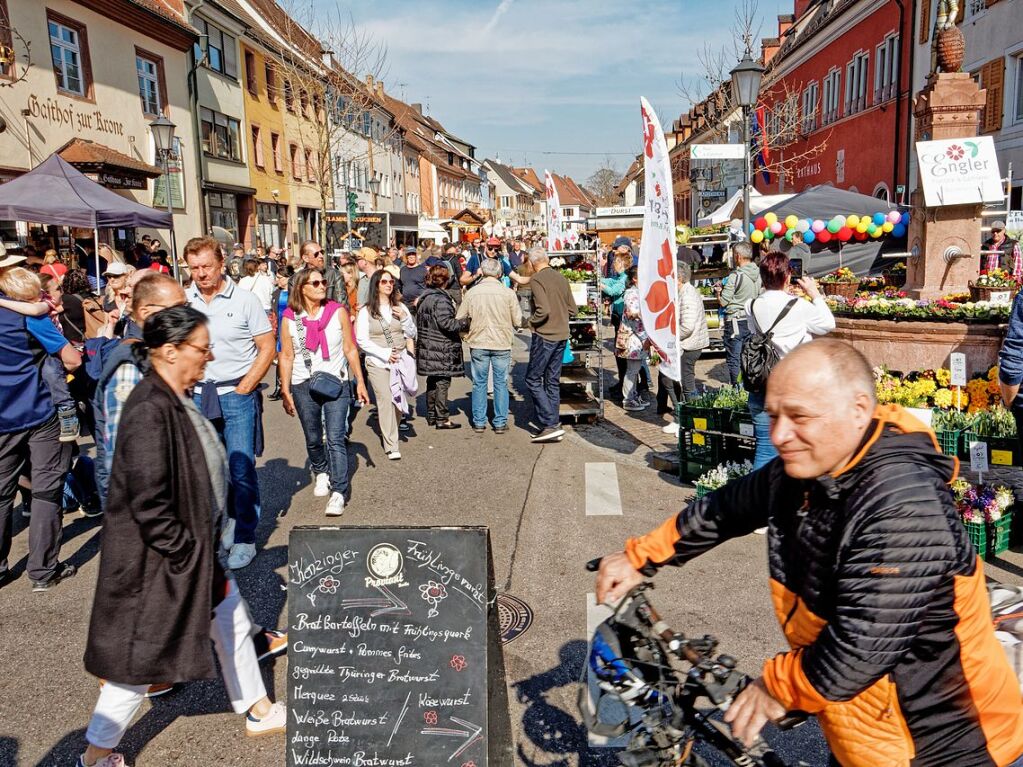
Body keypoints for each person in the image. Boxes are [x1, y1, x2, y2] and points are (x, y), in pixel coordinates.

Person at [595, 338, 1023, 767]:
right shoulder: (808, 466)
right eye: (774, 415)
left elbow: (864, 643)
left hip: (943, 747)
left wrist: (774, 687)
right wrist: (639, 556)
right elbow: (726, 509)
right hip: (866, 730)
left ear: (858, 410)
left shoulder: (903, 503)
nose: (779, 435)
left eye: (799, 417)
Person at [79, 307, 286, 767]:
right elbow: (149, 502)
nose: (208, 358)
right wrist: (186, 553)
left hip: (190, 555)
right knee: (138, 663)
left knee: (231, 623)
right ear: (170, 352)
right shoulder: (150, 409)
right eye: (201, 348)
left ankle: (260, 710)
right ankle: (94, 756)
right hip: (161, 563)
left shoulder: (172, 395)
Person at [185, 236, 275, 570]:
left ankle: (246, 538)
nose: (201, 273)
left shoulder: (245, 300)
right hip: (199, 394)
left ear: (222, 264)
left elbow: (267, 346)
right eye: (194, 268)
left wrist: (247, 385)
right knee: (211, 469)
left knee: (240, 467)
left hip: (236, 392)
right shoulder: (185, 300)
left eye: (207, 266)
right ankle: (230, 521)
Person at [0, 268, 80, 591]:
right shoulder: (32, 319)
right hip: (39, 410)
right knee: (46, 490)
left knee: (1, 493)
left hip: (2, 417)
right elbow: (72, 359)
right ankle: (43, 570)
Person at [279, 270, 369, 516]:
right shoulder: (290, 318)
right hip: (302, 384)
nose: (322, 286)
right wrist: (285, 389)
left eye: (323, 282)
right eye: (315, 283)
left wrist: (359, 381)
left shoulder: (337, 311)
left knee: (336, 438)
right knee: (312, 437)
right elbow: (286, 355)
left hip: (336, 384)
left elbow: (351, 349)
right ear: (302, 288)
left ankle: (338, 492)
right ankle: (320, 470)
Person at [745, 252, 835, 470]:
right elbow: (827, 324)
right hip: (794, 385)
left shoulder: (752, 305)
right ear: (787, 277)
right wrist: (814, 293)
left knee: (766, 448)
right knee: (801, 448)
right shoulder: (799, 306)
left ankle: (761, 499)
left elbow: (755, 332)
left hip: (762, 383)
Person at [0, 268, 82, 441]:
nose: (38, 296)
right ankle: (66, 409)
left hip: (13, 411)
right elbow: (73, 361)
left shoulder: (38, 305)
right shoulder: (28, 312)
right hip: (35, 406)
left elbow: (36, 309)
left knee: (51, 372)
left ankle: (67, 411)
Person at [356, 270, 417, 459]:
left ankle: (393, 429)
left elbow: (412, 333)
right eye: (384, 282)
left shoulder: (400, 307)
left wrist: (405, 319)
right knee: (385, 399)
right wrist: (384, 353)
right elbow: (361, 339)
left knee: (397, 400)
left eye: (391, 282)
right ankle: (391, 444)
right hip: (377, 362)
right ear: (376, 285)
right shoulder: (366, 311)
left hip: (400, 360)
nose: (389, 285)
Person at [456, 257, 522, 433]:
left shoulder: (472, 293)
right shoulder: (508, 293)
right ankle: (500, 422)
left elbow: (460, 317)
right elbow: (517, 320)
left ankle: (479, 421)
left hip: (479, 341)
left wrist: (465, 334)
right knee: (501, 382)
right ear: (500, 273)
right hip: (501, 342)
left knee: (479, 383)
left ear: (482, 272)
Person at [524, 247, 576, 442]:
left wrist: (531, 322)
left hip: (546, 334)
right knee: (552, 381)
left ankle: (550, 423)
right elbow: (572, 309)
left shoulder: (537, 279)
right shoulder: (561, 277)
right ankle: (553, 424)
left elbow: (543, 310)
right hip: (562, 334)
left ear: (532, 262)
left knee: (533, 379)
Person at [415, 265, 468, 430]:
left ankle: (432, 415)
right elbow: (447, 323)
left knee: (432, 381)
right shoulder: (441, 299)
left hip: (428, 344)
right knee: (442, 381)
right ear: (445, 280)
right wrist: (465, 322)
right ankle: (442, 418)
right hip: (442, 346)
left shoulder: (425, 297)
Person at [660, 261, 709, 433]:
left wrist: (671, 338)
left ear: (679, 278)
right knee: (669, 379)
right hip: (685, 344)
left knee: (686, 383)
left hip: (688, 346)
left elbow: (687, 326)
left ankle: (692, 420)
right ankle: (683, 416)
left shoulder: (688, 295)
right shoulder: (682, 292)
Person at [715, 241, 761, 386]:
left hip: (735, 321)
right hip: (751, 319)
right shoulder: (758, 274)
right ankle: (749, 388)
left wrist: (718, 292)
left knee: (734, 358)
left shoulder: (736, 276)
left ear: (738, 256)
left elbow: (723, 302)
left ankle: (737, 390)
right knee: (748, 356)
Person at [615, 267, 650, 413]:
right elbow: (635, 318)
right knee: (632, 370)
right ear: (635, 279)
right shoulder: (632, 294)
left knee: (635, 369)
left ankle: (633, 395)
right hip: (633, 338)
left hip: (637, 337)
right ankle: (628, 399)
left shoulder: (636, 292)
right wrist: (644, 338)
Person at [398, 246, 428, 314]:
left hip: (419, 303)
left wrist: (420, 298)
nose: (411, 256)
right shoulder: (403, 270)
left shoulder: (423, 270)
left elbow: (429, 287)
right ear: (406, 257)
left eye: (413, 254)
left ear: (416, 256)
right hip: (406, 303)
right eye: (409, 254)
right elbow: (401, 285)